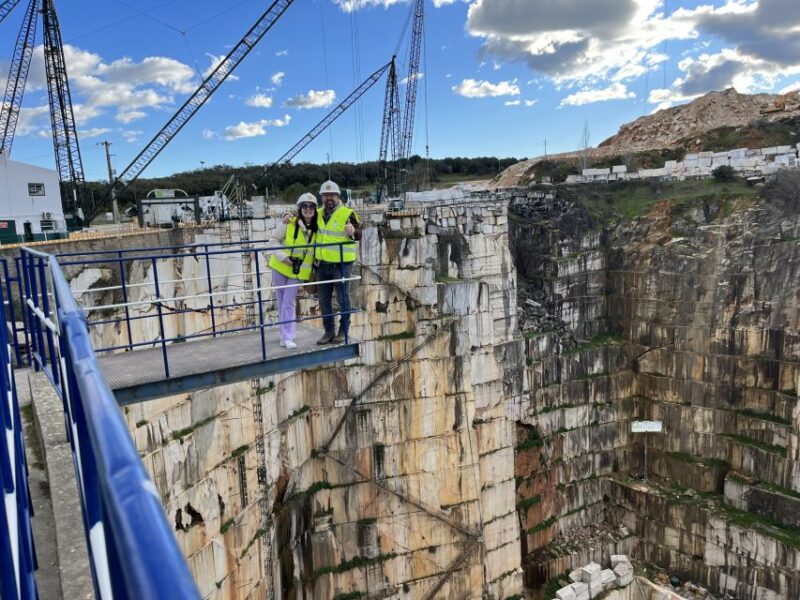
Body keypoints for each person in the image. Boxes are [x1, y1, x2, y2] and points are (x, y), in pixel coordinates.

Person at [268, 192, 318, 349]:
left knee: (288, 302)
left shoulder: (318, 228)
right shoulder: (289, 222)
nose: (308, 209)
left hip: (297, 272)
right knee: (281, 301)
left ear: (315, 209)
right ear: (300, 208)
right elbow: (274, 240)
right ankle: (285, 336)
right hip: (280, 266)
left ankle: (287, 336)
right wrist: (283, 257)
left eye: (311, 206)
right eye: (305, 206)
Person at [314, 180, 361, 344]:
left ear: (338, 196)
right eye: (325, 195)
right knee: (323, 300)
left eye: (332, 195)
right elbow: (301, 214)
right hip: (322, 264)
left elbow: (359, 234)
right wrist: (288, 215)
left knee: (343, 299)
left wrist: (352, 230)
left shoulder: (347, 213)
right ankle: (329, 331)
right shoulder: (318, 213)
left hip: (341, 265)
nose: (329, 198)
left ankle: (343, 330)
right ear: (321, 197)